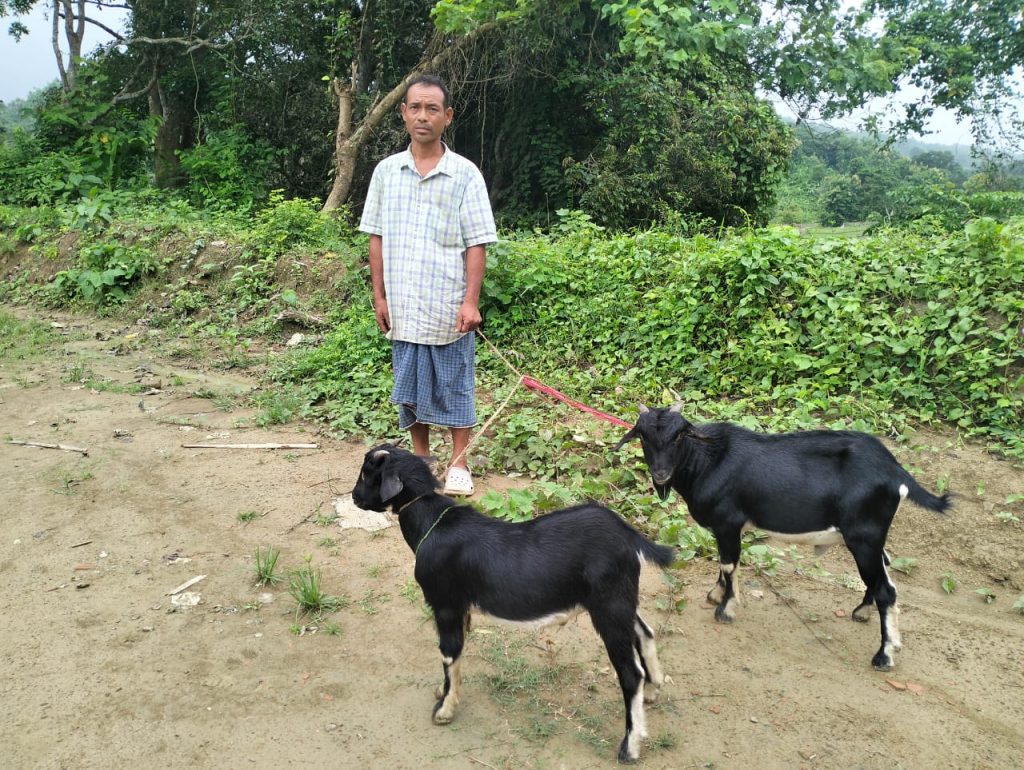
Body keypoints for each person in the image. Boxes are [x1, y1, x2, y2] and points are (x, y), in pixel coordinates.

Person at [358, 74, 497, 496]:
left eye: (432, 108)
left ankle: (459, 463)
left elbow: (477, 243)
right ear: (403, 114)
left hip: (448, 305)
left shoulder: (465, 175)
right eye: (415, 107)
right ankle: (421, 460)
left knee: (455, 385)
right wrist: (379, 295)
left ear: (447, 116)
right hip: (404, 305)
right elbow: (376, 237)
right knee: (410, 387)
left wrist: (470, 302)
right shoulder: (386, 173)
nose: (423, 116)